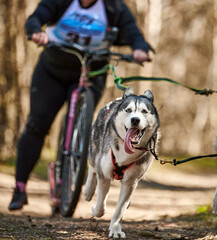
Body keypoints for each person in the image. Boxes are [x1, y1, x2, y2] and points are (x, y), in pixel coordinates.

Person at [9, 0, 151, 211]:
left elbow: (131, 30)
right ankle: (20, 188)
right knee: (37, 124)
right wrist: (36, 32)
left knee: (79, 122)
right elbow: (37, 17)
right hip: (52, 71)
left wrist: (140, 48)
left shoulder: (112, 7)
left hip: (92, 72)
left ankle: (66, 175)